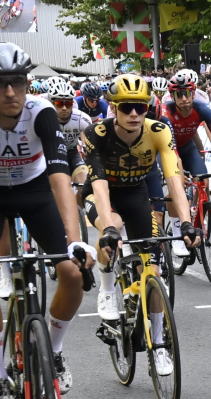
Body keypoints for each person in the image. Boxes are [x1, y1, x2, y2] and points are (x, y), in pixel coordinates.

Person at [0, 43, 96, 399]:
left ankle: (55, 350)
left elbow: (59, 177)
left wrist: (75, 239)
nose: (10, 92)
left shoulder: (41, 111)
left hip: (35, 191)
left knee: (72, 271)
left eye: (17, 82)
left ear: (27, 82)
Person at [82, 75, 200, 377]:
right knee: (114, 230)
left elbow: (174, 179)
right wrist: (109, 228)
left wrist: (186, 222)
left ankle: (158, 343)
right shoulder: (95, 133)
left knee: (154, 270)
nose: (134, 114)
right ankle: (107, 288)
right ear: (114, 109)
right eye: (127, 108)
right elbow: (99, 185)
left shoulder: (159, 131)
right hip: (101, 192)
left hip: (136, 193)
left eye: (141, 107)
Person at [162, 69, 211, 255]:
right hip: (166, 149)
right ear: (173, 97)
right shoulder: (166, 113)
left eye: (187, 93)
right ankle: (178, 231)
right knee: (175, 184)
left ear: (193, 93)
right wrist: (179, 173)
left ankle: (196, 210)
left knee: (203, 180)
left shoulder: (202, 109)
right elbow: (172, 152)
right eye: (179, 94)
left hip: (187, 147)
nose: (184, 98)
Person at [47, 79, 92, 185]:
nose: (64, 108)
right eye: (59, 103)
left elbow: (94, 141)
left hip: (72, 154)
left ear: (73, 103)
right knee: (57, 185)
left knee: (84, 183)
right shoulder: (45, 118)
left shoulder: (82, 118)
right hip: (51, 156)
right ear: (52, 103)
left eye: (68, 103)